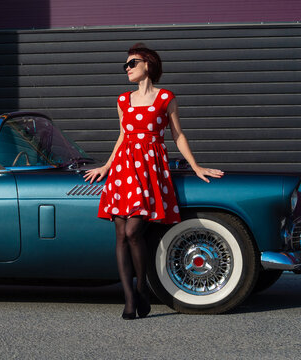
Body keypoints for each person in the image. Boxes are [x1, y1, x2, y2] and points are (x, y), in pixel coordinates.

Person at [83, 43, 224, 319]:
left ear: (148, 64)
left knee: (134, 231)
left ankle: (143, 288)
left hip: (149, 168)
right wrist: (107, 166)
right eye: (125, 65)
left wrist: (195, 166)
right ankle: (129, 299)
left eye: (131, 63)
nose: (127, 68)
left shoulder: (165, 98)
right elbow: (123, 136)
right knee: (120, 235)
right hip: (124, 169)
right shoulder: (123, 100)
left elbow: (177, 135)